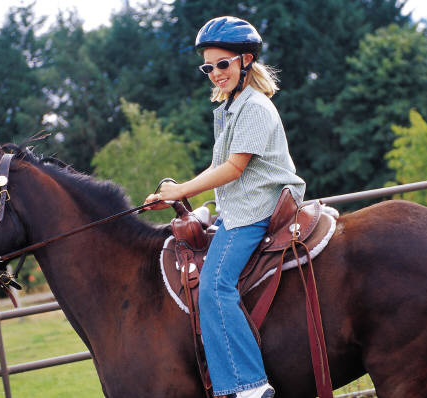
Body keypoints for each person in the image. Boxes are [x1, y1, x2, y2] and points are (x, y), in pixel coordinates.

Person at [144, 16, 306, 398]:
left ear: (245, 60)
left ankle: (250, 386)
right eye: (208, 67)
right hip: (241, 205)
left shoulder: (253, 108)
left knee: (215, 288)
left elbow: (234, 170)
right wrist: (180, 196)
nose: (215, 73)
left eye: (223, 64)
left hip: (255, 211)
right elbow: (220, 167)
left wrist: (179, 189)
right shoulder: (233, 107)